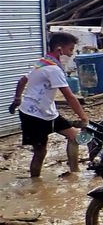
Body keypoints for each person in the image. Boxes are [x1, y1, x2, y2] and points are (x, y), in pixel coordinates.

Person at [7, 32, 89, 178]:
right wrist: (83, 117)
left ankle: (74, 173)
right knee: (40, 152)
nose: (71, 54)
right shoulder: (53, 69)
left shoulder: (42, 62)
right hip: (33, 116)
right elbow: (69, 96)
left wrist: (18, 99)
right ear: (59, 49)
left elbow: (22, 81)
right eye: (70, 49)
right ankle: (35, 182)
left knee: (74, 137)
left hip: (48, 112)